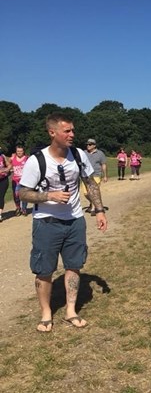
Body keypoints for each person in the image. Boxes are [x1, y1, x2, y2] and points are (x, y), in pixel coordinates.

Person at [19, 112, 108, 332]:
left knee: (74, 265)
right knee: (44, 269)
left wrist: (99, 210)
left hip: (75, 220)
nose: (72, 135)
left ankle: (70, 310)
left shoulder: (78, 155)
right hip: (46, 222)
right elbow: (22, 194)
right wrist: (50, 196)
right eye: (67, 131)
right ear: (52, 132)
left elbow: (90, 183)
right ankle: (46, 313)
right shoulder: (37, 160)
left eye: (72, 130)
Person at [83, 138, 108, 215]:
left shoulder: (100, 153)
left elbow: (103, 164)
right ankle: (92, 203)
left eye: (90, 144)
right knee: (86, 193)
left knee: (93, 192)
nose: (88, 146)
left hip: (96, 175)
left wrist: (105, 176)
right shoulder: (84, 153)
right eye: (87, 144)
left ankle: (94, 209)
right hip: (85, 175)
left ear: (94, 145)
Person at [10, 145, 29, 216]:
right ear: (16, 151)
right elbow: (8, 165)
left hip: (24, 180)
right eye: (18, 151)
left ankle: (24, 209)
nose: (19, 153)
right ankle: (18, 208)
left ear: (23, 151)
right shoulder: (12, 158)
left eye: (21, 151)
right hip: (15, 180)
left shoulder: (27, 158)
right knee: (16, 195)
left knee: (24, 195)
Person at [0, 145, 12, 222]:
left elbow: (9, 165)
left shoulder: (2, 156)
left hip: (3, 179)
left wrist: (7, 169)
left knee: (1, 196)